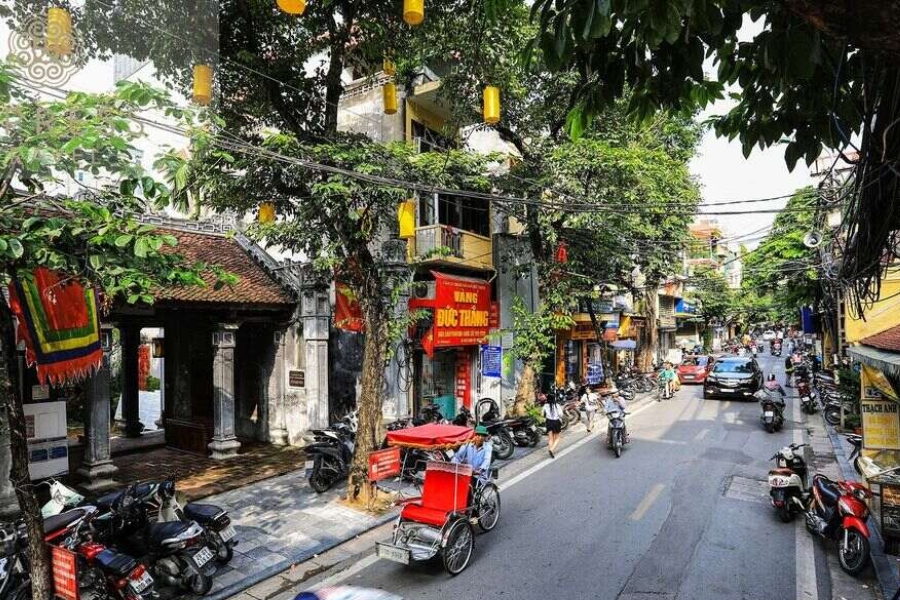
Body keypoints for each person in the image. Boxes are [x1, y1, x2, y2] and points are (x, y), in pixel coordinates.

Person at [542, 392, 563, 458]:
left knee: (550, 438)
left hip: (548, 422)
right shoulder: (557, 405)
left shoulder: (545, 405)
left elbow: (542, 414)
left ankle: (551, 450)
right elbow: (561, 414)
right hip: (556, 422)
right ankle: (551, 449)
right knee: (558, 438)